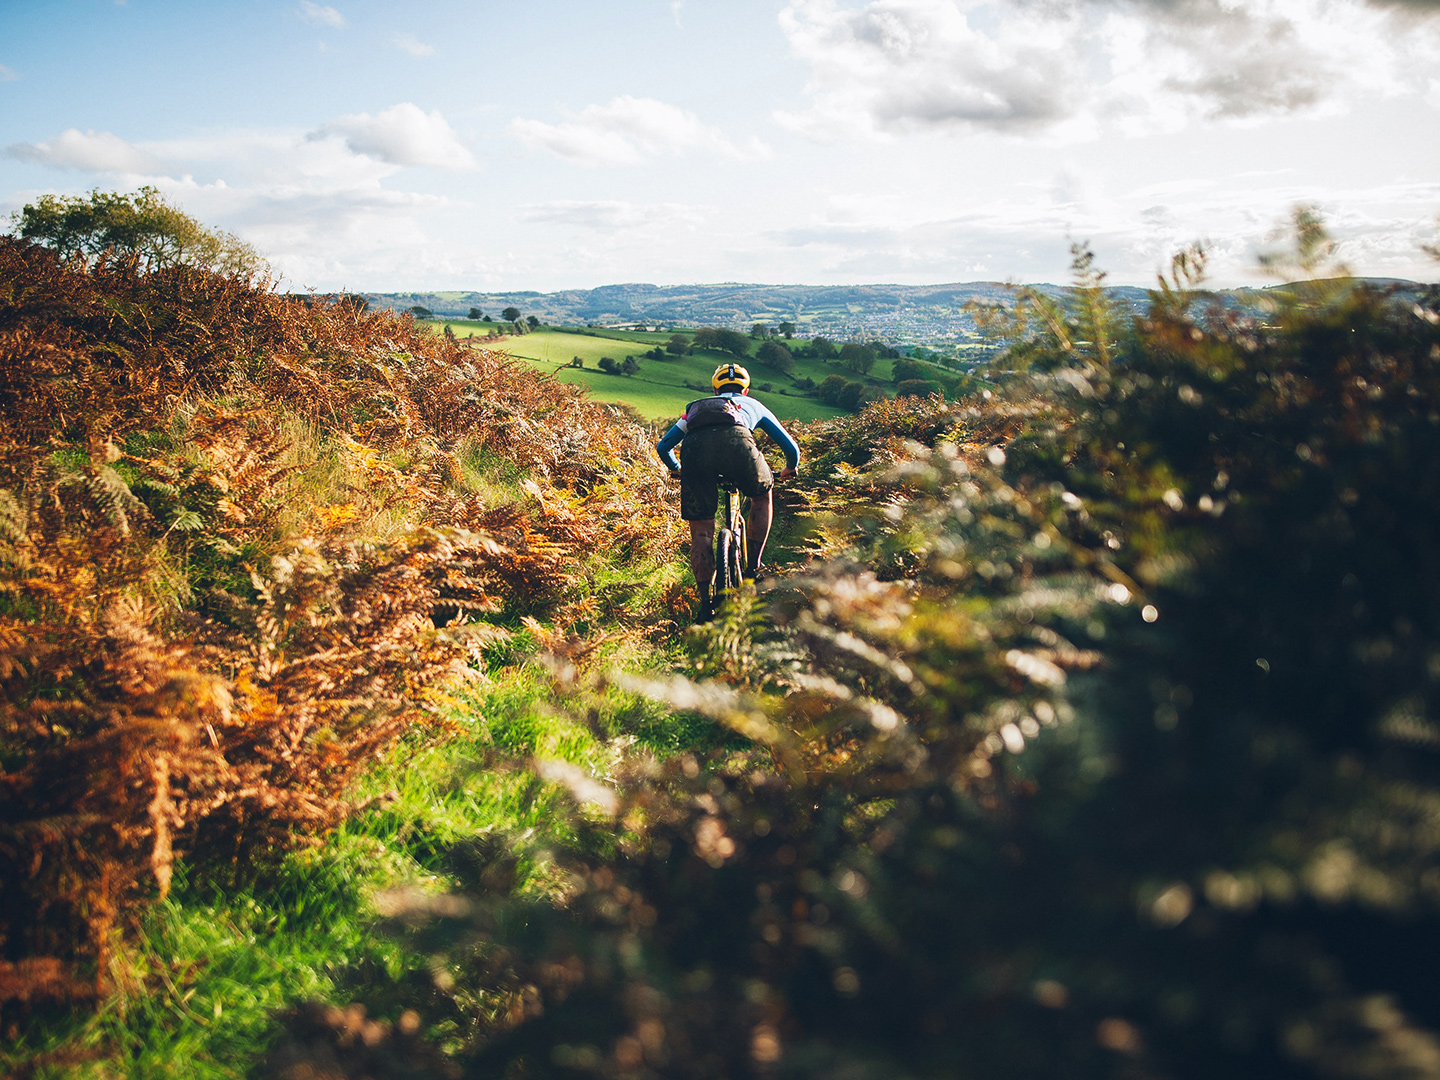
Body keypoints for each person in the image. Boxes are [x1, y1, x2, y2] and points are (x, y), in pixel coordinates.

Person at [656, 362, 800, 621]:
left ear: (714, 390)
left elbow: (664, 446)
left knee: (701, 531)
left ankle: (704, 605)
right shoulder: (754, 405)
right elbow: (791, 449)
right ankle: (754, 568)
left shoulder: (696, 409)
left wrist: (677, 468)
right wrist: (790, 468)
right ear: (745, 390)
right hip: (739, 446)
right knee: (761, 496)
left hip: (696, 451)